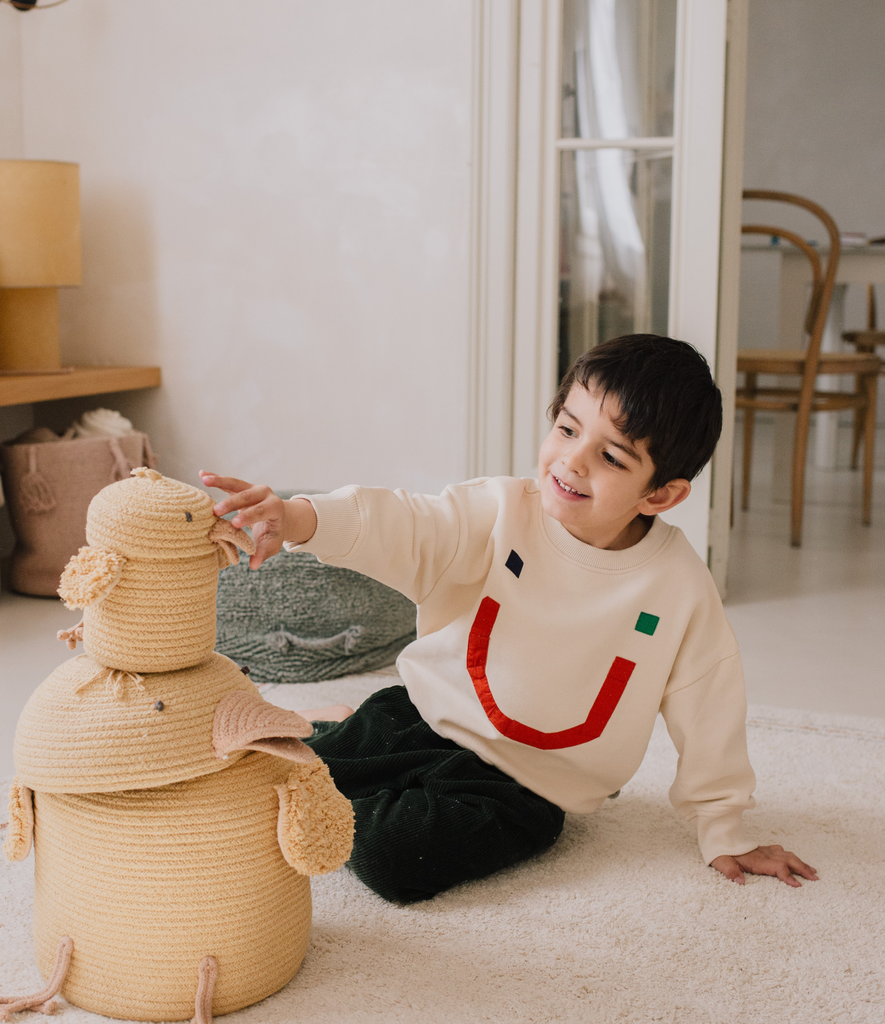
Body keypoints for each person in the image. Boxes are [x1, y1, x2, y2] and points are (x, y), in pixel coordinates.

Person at [200, 334, 817, 904]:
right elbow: (404, 526)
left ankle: (329, 756)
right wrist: (301, 519)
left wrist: (723, 829)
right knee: (256, 778)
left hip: (524, 789)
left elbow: (709, 704)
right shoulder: (498, 510)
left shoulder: (678, 586)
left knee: (396, 859)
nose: (571, 462)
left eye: (610, 457)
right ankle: (326, 736)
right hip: (420, 716)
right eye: (567, 428)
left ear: (659, 494)